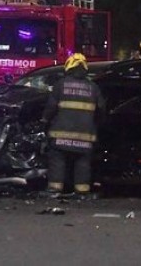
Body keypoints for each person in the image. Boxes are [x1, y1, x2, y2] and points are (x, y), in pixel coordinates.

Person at [42, 53, 105, 197]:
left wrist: (44, 121)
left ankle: (54, 189)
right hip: (85, 136)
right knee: (82, 162)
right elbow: (101, 110)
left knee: (57, 160)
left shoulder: (60, 85)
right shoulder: (93, 87)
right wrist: (98, 125)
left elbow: (51, 108)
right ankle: (82, 191)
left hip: (60, 135)